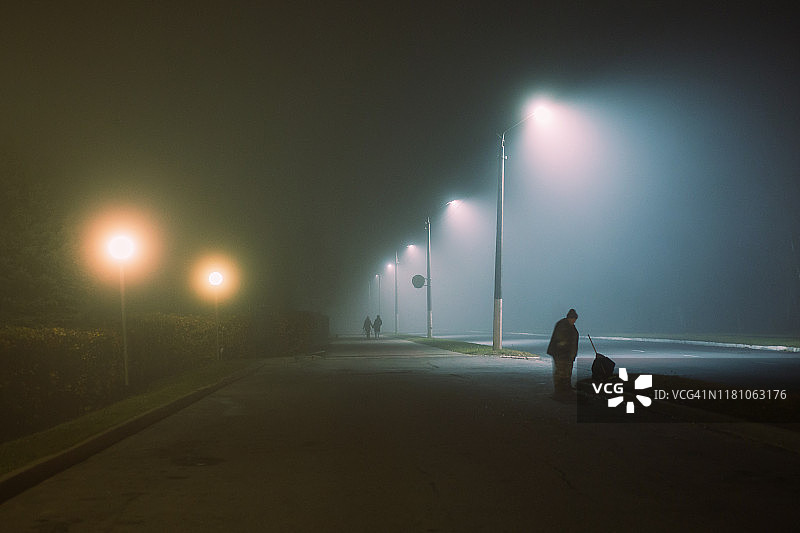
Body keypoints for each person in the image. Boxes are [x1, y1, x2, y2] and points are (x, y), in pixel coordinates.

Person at [546, 308, 579, 399]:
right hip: (560, 355)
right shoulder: (562, 325)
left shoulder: (571, 327)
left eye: (575, 319)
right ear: (569, 318)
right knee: (560, 373)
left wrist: (572, 355)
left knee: (567, 373)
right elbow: (561, 341)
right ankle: (559, 391)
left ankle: (566, 390)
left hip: (568, 356)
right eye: (572, 319)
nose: (574, 321)